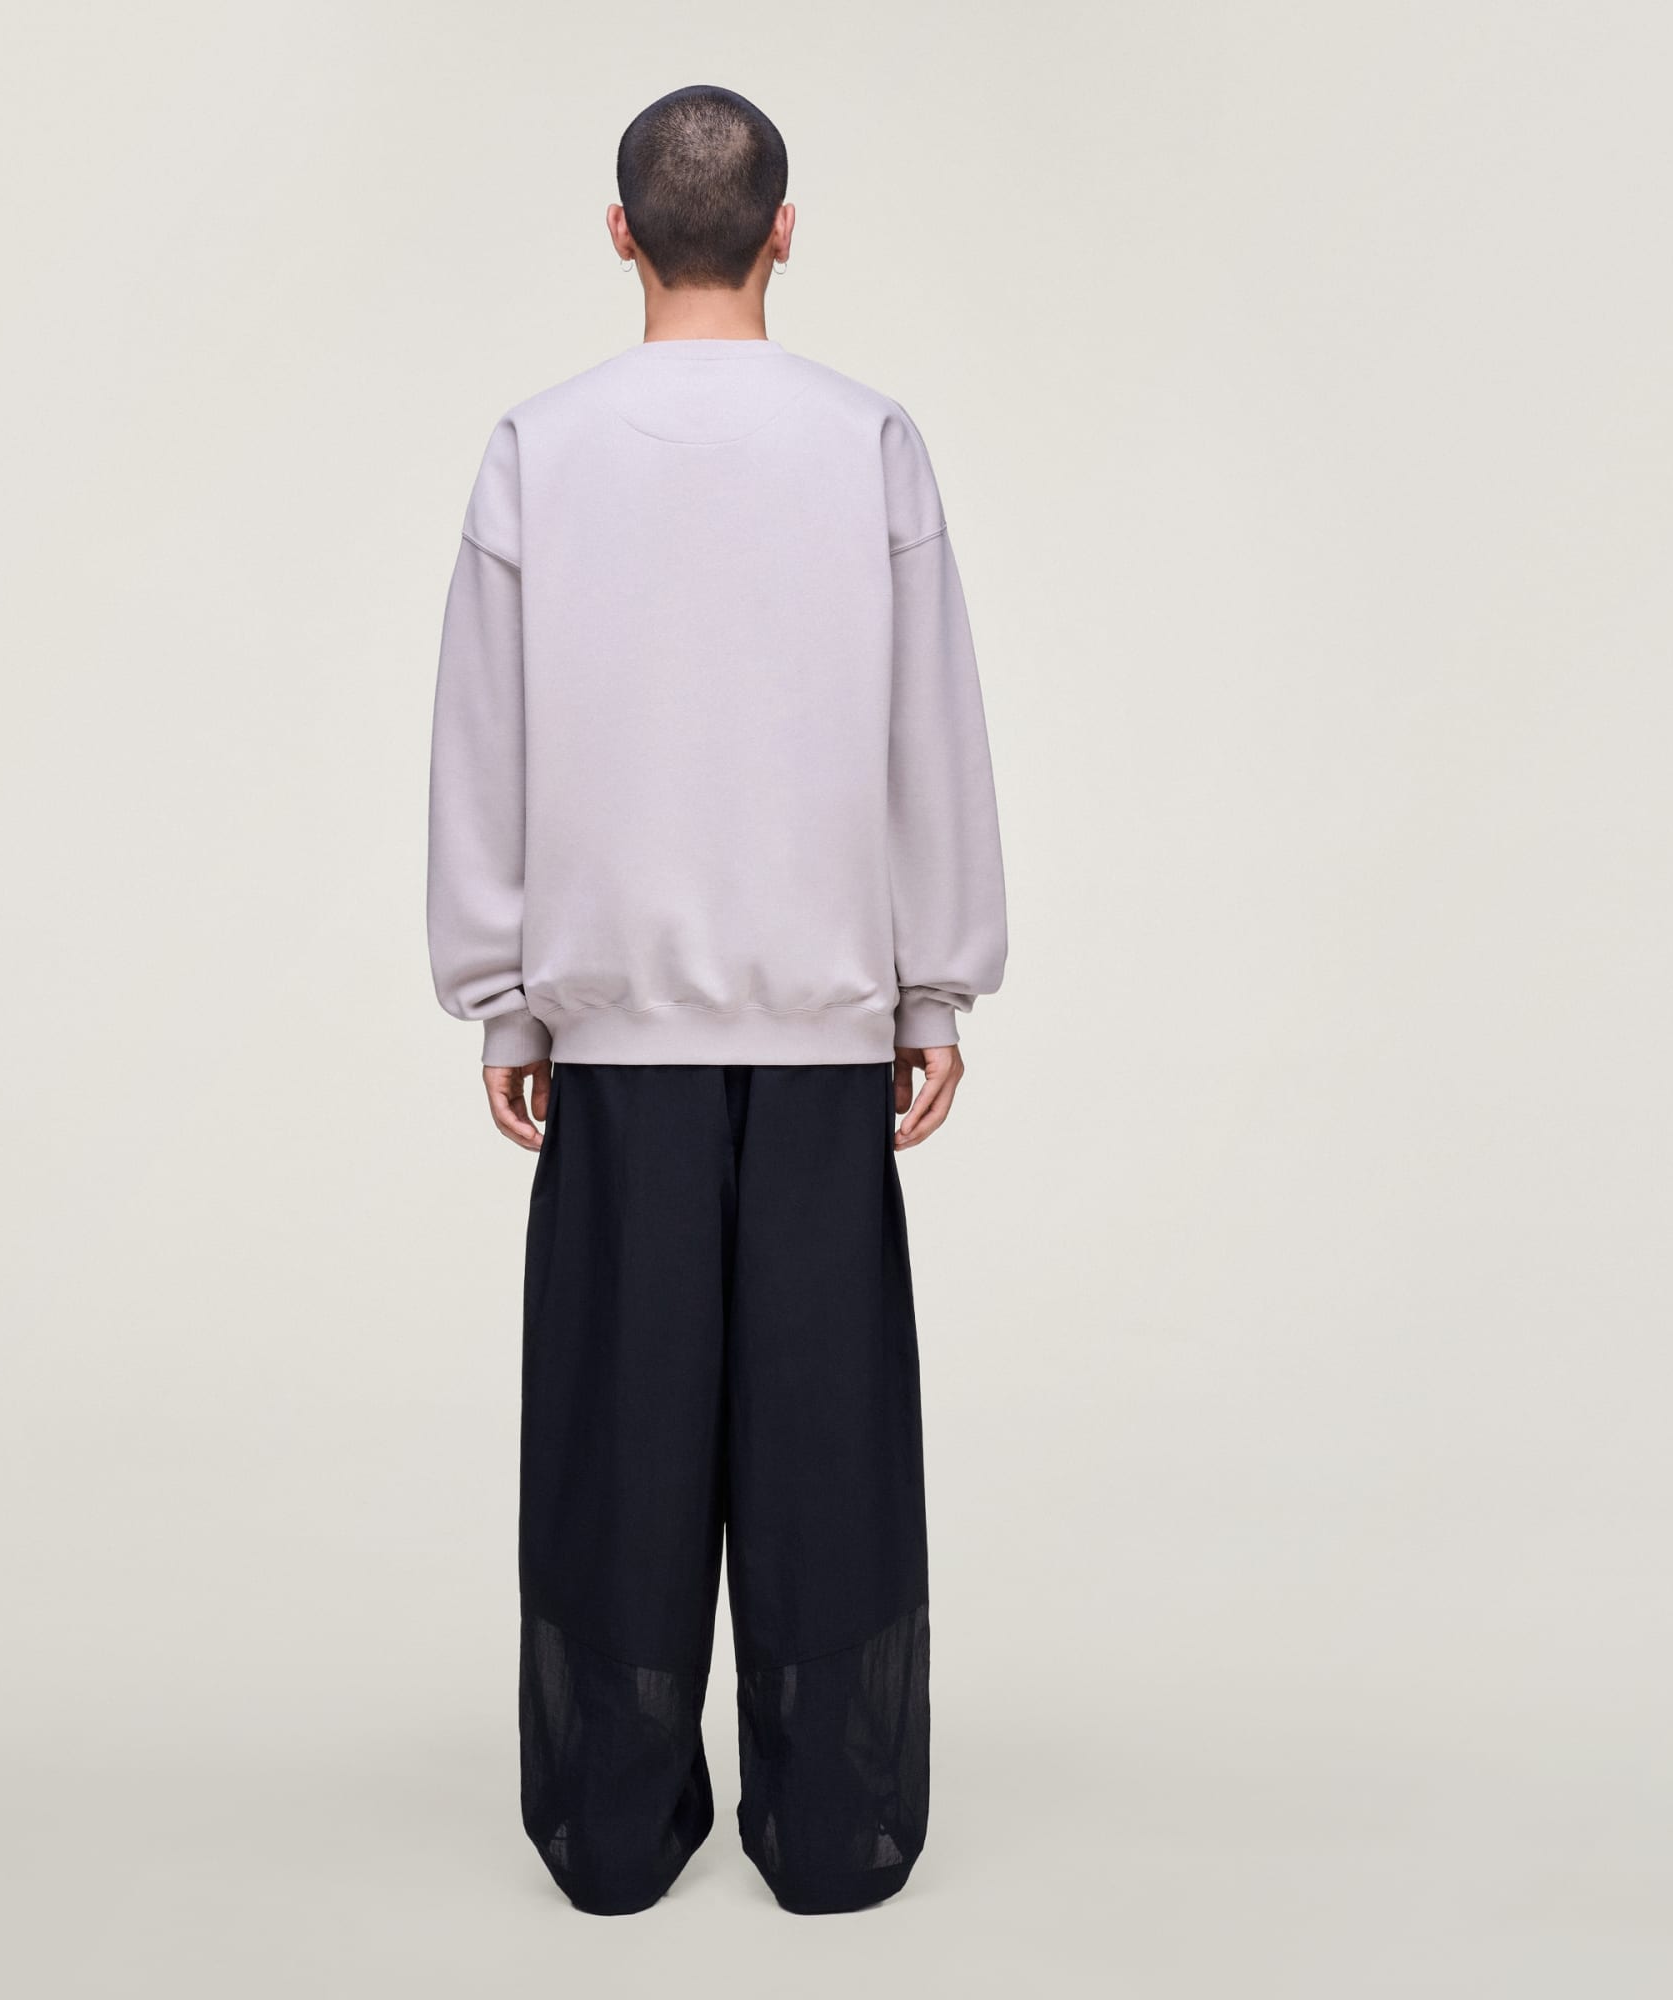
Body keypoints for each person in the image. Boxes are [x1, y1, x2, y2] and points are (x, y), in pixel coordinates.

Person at [425, 83, 1007, 1917]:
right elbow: (930, 725)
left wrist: (506, 1001)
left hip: (618, 1045)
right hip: (823, 1034)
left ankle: (611, 1832)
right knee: (829, 1444)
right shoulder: (868, 441)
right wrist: (933, 984)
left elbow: (485, 739)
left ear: (619, 233)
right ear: (783, 231)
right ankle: (838, 1833)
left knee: (619, 1439)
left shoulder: (538, 449)